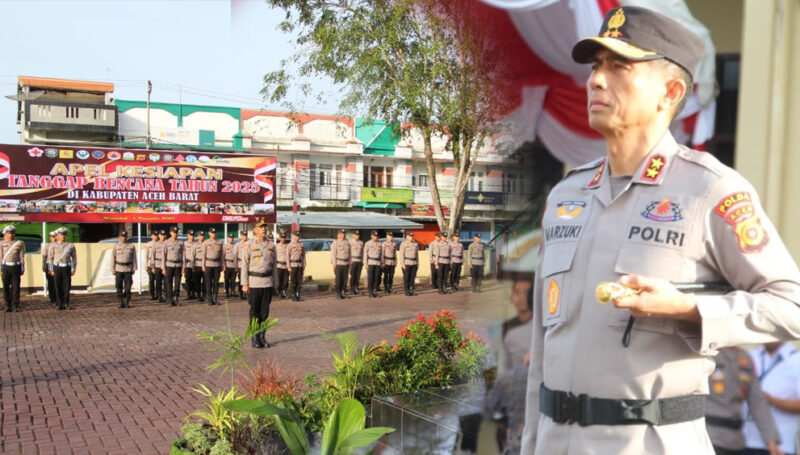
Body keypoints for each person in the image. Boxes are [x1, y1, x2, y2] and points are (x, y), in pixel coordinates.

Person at [522, 6, 800, 455]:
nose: (595, 80)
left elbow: (791, 305)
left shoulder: (709, 190)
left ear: (670, 92)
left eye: (619, 67)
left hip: (648, 442)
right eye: (596, 67)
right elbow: (543, 350)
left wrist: (691, 309)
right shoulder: (565, 197)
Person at [706, 347, 781, 455]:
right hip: (710, 437)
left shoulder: (744, 359)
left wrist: (771, 440)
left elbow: (757, 401)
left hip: (735, 440)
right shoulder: (707, 355)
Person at [743, 342, 800, 455]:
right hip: (743, 442)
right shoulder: (750, 356)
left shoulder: (796, 359)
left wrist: (770, 400)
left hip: (780, 447)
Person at [241, 220, 277, 348]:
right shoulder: (248, 245)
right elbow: (244, 265)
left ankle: (262, 337)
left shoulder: (272, 245)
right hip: (254, 283)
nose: (263, 229)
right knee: (254, 312)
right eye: (260, 227)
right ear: (255, 230)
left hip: (267, 283)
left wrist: (275, 283)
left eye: (265, 227)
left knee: (264, 313)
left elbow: (274, 266)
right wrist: (244, 283)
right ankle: (254, 337)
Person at [47, 227, 76, 310]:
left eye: (64, 234)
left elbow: (74, 258)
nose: (63, 236)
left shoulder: (70, 245)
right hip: (57, 267)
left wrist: (73, 269)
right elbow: (50, 258)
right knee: (57, 285)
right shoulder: (53, 245)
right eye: (61, 235)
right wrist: (51, 269)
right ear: (57, 236)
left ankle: (66, 303)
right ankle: (59, 303)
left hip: (66, 267)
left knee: (66, 286)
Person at [1, 225, 25, 312]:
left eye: (12, 233)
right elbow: (0, 257)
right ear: (6, 234)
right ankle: (7, 305)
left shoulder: (19, 243)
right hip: (6, 266)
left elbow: (21, 256)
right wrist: (1, 269)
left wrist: (22, 267)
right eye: (9, 233)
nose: (11, 235)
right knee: (6, 287)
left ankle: (15, 305)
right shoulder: (1, 243)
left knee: (16, 287)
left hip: (16, 266)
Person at [110, 230, 136, 308]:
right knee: (119, 286)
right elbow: (113, 258)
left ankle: (127, 301)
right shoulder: (116, 246)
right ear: (119, 237)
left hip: (128, 269)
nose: (124, 238)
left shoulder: (131, 246)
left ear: (127, 237)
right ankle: (120, 302)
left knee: (128, 287)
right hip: (118, 268)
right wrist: (113, 269)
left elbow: (134, 258)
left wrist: (134, 268)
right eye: (122, 236)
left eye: (125, 236)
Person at [163, 227, 184, 307]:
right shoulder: (166, 243)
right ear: (170, 233)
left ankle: (176, 298)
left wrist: (183, 266)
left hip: (178, 265)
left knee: (177, 283)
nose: (175, 234)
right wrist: (163, 268)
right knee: (169, 283)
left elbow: (183, 256)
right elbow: (163, 256)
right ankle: (170, 299)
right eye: (174, 232)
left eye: (176, 232)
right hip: (169, 265)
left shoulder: (181, 243)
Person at [202, 227, 223, 305]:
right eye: (212, 233)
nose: (213, 234)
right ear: (209, 233)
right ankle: (209, 299)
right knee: (208, 282)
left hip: (217, 264)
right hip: (208, 264)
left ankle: (215, 298)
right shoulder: (206, 242)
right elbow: (203, 255)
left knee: (216, 282)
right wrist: (203, 265)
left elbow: (221, 255)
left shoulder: (219, 242)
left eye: (214, 233)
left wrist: (222, 264)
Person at [331, 228, 351, 299]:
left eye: (344, 234)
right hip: (339, 263)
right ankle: (338, 293)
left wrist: (350, 262)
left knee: (345, 279)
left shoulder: (347, 242)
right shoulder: (335, 243)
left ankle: (343, 292)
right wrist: (334, 264)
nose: (343, 235)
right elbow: (333, 254)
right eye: (341, 234)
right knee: (338, 279)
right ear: (338, 235)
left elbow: (350, 254)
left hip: (346, 263)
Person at [286, 230, 306, 302]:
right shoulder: (290, 245)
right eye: (296, 236)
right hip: (293, 265)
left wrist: (304, 264)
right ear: (293, 236)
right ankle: (293, 295)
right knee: (293, 281)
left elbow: (303, 256)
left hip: (299, 265)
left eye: (298, 236)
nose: (297, 237)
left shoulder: (301, 245)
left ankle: (298, 294)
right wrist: (288, 266)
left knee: (299, 281)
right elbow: (287, 256)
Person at [363, 231, 383, 298]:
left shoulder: (380, 244)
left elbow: (381, 254)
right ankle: (370, 292)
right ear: (371, 236)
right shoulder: (368, 244)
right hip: (370, 262)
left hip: (378, 263)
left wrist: (382, 262)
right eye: (374, 236)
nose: (376, 237)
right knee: (371, 278)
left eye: (377, 236)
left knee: (376, 277)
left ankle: (375, 291)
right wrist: (365, 263)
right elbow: (365, 254)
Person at [399, 231, 419, 296]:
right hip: (407, 262)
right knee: (406, 277)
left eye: (412, 236)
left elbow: (417, 255)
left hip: (414, 263)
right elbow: (401, 254)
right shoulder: (403, 244)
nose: (411, 237)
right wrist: (402, 264)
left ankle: (411, 290)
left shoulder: (415, 244)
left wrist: (417, 263)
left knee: (412, 278)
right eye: (410, 236)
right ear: (407, 237)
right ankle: (406, 290)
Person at [151, 229, 166, 302]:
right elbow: (152, 256)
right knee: (158, 282)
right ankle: (159, 296)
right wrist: (153, 267)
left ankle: (166, 295)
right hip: (157, 264)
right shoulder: (156, 244)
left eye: (164, 235)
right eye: (161, 235)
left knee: (167, 282)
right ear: (159, 236)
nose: (162, 237)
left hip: (166, 265)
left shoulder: (167, 243)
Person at [42, 231, 56, 306]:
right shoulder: (47, 246)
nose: (53, 238)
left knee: (57, 282)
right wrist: (44, 266)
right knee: (50, 282)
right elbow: (44, 257)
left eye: (54, 237)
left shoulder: (58, 245)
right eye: (52, 237)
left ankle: (58, 298)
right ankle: (52, 297)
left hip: (57, 265)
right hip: (49, 265)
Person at [349, 231, 364, 295]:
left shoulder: (361, 243)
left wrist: (363, 261)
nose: (357, 236)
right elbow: (348, 252)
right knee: (353, 276)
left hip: (359, 260)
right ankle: (352, 288)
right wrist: (349, 261)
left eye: (358, 235)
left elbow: (363, 253)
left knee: (358, 276)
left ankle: (356, 288)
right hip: (353, 260)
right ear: (353, 235)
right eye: (356, 235)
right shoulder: (350, 242)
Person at [234, 230, 248, 300]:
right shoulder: (238, 244)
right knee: (241, 279)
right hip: (240, 264)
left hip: (248, 265)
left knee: (248, 279)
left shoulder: (249, 244)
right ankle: (241, 293)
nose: (245, 237)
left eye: (246, 235)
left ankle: (247, 293)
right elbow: (235, 256)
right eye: (243, 235)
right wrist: (235, 266)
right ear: (241, 236)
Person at [274, 232, 289, 299]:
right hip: (279, 265)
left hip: (286, 265)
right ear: (280, 238)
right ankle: (279, 292)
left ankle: (284, 291)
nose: (283, 239)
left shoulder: (288, 246)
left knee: (286, 280)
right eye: (282, 238)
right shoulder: (276, 246)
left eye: (284, 238)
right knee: (279, 279)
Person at [193, 231, 206, 301]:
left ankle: (204, 295)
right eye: (200, 236)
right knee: (197, 281)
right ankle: (198, 296)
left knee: (205, 281)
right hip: (197, 264)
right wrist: (193, 266)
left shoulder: (206, 244)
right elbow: (193, 255)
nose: (201, 237)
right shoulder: (195, 245)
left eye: (202, 235)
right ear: (198, 237)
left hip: (205, 265)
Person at [223, 233, 237, 298]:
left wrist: (236, 266)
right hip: (227, 265)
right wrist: (224, 265)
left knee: (233, 280)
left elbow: (236, 256)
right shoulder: (225, 246)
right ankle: (226, 292)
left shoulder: (235, 246)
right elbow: (222, 256)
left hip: (233, 265)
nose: (231, 239)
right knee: (226, 279)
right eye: (230, 238)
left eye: (232, 238)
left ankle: (233, 292)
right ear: (227, 238)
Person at [146, 231, 159, 300]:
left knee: (158, 280)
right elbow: (146, 255)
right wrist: (145, 265)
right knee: (151, 280)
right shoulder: (149, 244)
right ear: (151, 236)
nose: (156, 236)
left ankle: (158, 294)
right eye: (154, 235)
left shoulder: (160, 244)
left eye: (156, 235)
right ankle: (152, 294)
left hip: (157, 264)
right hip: (150, 264)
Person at [184, 230, 196, 300]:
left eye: (193, 235)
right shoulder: (185, 244)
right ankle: (188, 294)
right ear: (188, 235)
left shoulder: (196, 244)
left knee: (194, 280)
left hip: (195, 264)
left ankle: (193, 293)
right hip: (187, 264)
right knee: (188, 279)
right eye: (190, 235)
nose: (192, 236)